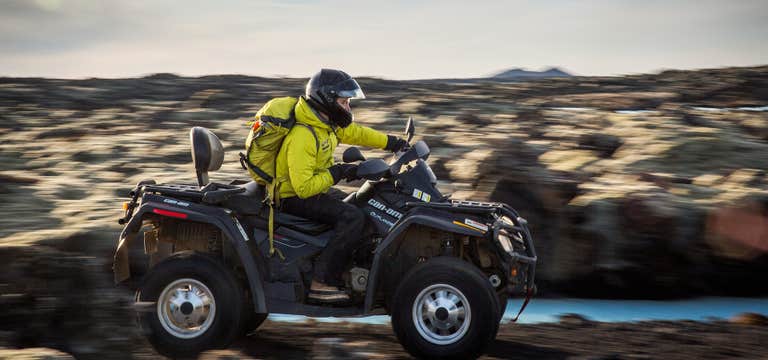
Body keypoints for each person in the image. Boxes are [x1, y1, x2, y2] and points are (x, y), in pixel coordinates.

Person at [272, 69, 407, 302]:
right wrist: (338, 172)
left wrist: (392, 143)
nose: (348, 108)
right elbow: (303, 187)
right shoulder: (303, 135)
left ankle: (351, 266)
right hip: (291, 196)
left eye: (348, 102)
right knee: (352, 217)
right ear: (326, 100)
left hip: (314, 188)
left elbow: (357, 133)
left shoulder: (326, 124)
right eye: (344, 102)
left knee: (364, 203)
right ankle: (321, 282)